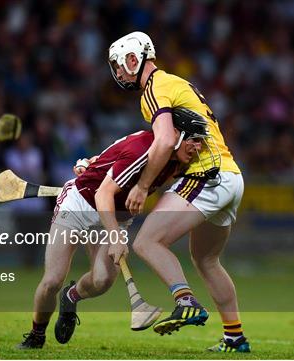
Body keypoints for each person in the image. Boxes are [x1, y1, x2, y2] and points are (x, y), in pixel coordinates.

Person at [107, 31, 250, 353]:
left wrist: (143, 186)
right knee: (207, 258)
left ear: (133, 59)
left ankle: (186, 301)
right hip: (231, 176)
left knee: (146, 241)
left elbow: (165, 141)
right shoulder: (174, 82)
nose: (117, 74)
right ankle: (235, 337)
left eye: (118, 65)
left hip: (207, 175)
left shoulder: (153, 89)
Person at [17, 109, 205, 349]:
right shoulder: (143, 150)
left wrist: (92, 161)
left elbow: (114, 154)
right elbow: (103, 193)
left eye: (200, 141)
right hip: (80, 204)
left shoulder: (177, 158)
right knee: (53, 279)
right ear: (175, 133)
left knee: (103, 280)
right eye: (194, 140)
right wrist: (115, 236)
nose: (197, 147)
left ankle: (71, 296)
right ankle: (36, 335)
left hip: (115, 214)